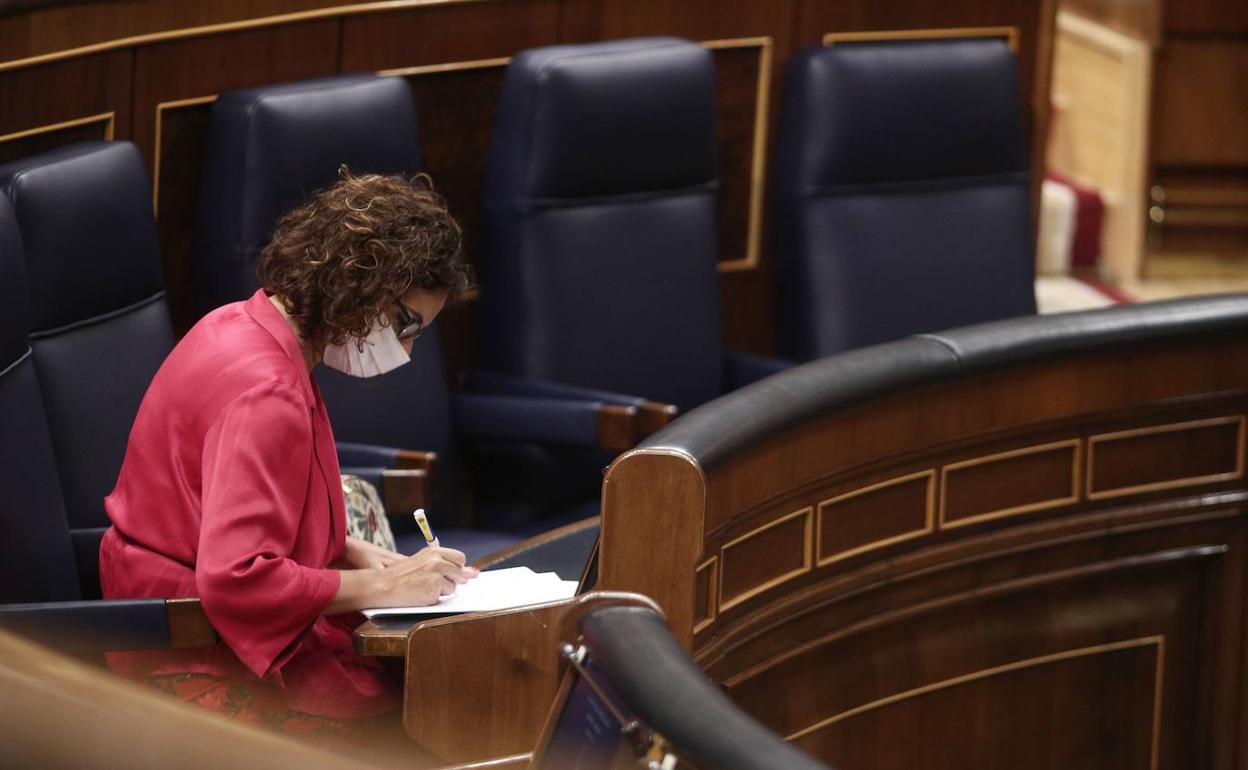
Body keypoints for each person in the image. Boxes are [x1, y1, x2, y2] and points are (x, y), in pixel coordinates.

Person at [99, 170, 477, 742]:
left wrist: (347, 551)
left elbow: (223, 508)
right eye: (406, 326)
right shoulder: (267, 392)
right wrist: (388, 588)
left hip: (183, 622)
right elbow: (236, 579)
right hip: (187, 651)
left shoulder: (242, 322)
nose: (404, 351)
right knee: (423, 718)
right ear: (362, 285)